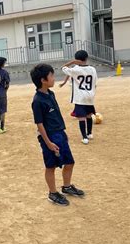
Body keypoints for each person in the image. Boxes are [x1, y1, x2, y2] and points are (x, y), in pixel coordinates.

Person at [31, 63, 84, 206]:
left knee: (70, 162)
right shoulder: (37, 101)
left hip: (60, 134)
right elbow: (39, 124)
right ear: (43, 80)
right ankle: (52, 193)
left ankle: (66, 187)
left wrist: (63, 132)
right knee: (51, 166)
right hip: (49, 137)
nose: (54, 78)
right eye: (51, 76)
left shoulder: (51, 93)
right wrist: (48, 142)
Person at [61, 50, 98, 144]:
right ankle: (89, 133)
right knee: (89, 115)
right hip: (90, 97)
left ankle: (84, 137)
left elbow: (63, 68)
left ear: (76, 59)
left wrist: (72, 62)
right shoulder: (92, 69)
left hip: (79, 97)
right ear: (86, 58)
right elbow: (95, 83)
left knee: (81, 117)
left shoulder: (75, 70)